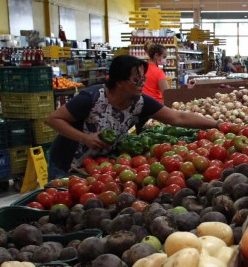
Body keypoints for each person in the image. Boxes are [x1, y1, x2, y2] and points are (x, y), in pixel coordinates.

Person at [45, 55, 217, 178]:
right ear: (119, 81)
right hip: (67, 163)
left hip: (98, 166)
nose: (142, 84)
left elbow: (178, 117)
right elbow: (53, 119)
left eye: (143, 79)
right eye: (136, 80)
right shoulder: (92, 97)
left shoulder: (139, 102)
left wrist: (216, 124)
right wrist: (86, 138)